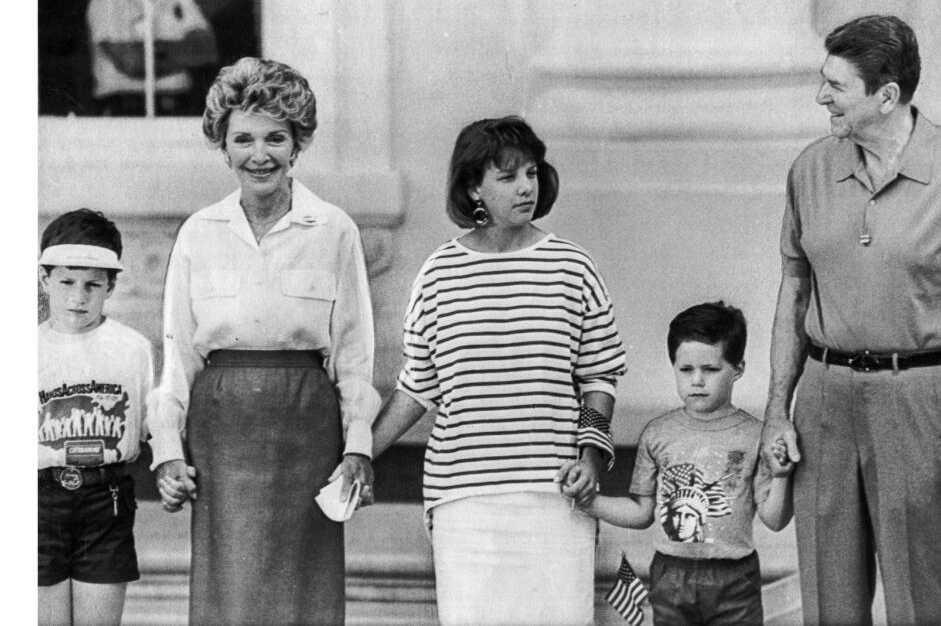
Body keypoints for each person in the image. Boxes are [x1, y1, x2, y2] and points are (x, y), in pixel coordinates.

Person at [759, 14, 941, 625]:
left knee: (922, 600)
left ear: (887, 96)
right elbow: (793, 291)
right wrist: (778, 406)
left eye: (836, 86)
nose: (820, 96)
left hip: (925, 400)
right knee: (827, 600)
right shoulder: (810, 169)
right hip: (823, 399)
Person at [342, 116, 628, 625]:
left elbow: (599, 379)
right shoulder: (439, 274)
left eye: (532, 174)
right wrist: (361, 452)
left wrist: (590, 457)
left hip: (554, 495)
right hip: (464, 501)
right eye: (508, 176)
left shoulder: (572, 267)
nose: (526, 187)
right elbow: (418, 388)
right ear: (473, 186)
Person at [146, 57, 379, 625]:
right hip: (221, 428)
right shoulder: (200, 233)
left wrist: (358, 446)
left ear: (298, 144)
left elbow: (353, 352)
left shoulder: (333, 229)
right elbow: (176, 353)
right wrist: (167, 451)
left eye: (276, 137)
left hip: (306, 425)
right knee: (230, 588)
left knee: (306, 591)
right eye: (243, 138)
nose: (260, 154)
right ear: (223, 147)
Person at [566, 302, 792, 626]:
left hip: (734, 576)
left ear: (738, 368)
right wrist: (588, 501)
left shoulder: (756, 435)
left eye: (711, 370)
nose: (697, 380)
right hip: (670, 574)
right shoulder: (657, 434)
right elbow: (642, 513)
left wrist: (782, 475)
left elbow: (774, 518)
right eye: (686, 370)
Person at [38, 209, 155, 626]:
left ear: (111, 286)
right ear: (44, 280)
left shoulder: (132, 348)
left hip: (105, 499)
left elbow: (146, 427)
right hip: (38, 499)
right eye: (66, 281)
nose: (78, 296)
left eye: (93, 284)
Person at [86, 0, 218, 115]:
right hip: (125, 107)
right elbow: (132, 63)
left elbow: (206, 51)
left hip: (178, 104)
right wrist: (181, 52)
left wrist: (147, 51)